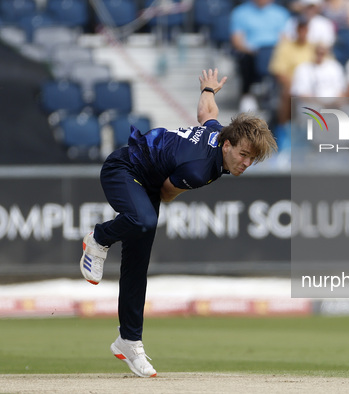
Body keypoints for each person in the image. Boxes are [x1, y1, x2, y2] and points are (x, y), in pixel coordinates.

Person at [79, 69, 277, 378]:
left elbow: (207, 113)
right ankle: (99, 238)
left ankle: (129, 341)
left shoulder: (219, 133)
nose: (246, 163)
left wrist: (209, 90)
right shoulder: (201, 170)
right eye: (243, 154)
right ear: (227, 145)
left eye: (252, 159)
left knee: (136, 266)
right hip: (123, 168)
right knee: (143, 219)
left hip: (144, 180)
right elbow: (168, 192)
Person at [230, 0, 290, 112]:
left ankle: (278, 94)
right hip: (251, 52)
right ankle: (247, 94)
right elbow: (237, 40)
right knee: (245, 59)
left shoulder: (281, 13)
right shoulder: (240, 12)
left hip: (274, 52)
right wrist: (253, 50)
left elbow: (285, 38)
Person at [269, 17, 315, 125]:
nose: (302, 31)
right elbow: (279, 71)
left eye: (305, 29)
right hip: (293, 84)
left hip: (314, 84)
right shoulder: (285, 46)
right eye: (300, 29)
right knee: (287, 93)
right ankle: (283, 128)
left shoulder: (314, 47)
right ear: (296, 29)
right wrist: (295, 86)